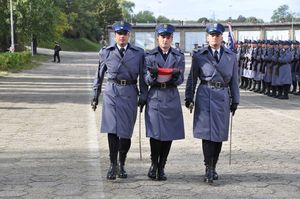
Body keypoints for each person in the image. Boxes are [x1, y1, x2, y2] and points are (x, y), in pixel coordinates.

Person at [91, 21, 148, 180]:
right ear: (115, 35)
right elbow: (99, 75)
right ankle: (112, 165)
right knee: (112, 130)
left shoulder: (139, 53)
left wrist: (144, 95)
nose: (122, 36)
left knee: (126, 133)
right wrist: (95, 94)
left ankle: (122, 163)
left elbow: (143, 77)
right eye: (119, 33)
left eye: (125, 33)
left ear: (129, 35)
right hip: (112, 93)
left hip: (129, 92)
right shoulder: (106, 52)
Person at [185, 23, 240, 184]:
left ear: (222, 37)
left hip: (222, 96)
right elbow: (192, 78)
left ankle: (214, 166)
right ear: (207, 37)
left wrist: (235, 100)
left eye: (217, 35)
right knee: (207, 134)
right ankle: (208, 167)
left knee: (219, 134)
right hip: (205, 95)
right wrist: (189, 97)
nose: (214, 38)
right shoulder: (199, 55)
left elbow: (234, 81)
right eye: (212, 35)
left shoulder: (230, 56)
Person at [144, 24, 185, 181]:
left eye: (168, 37)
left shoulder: (178, 56)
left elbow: (181, 79)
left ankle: (162, 166)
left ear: (171, 39)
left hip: (170, 95)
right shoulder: (149, 56)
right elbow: (146, 79)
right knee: (155, 133)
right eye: (162, 37)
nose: (165, 39)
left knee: (168, 134)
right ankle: (154, 164)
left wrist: (176, 78)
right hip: (155, 96)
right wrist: (152, 76)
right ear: (158, 38)